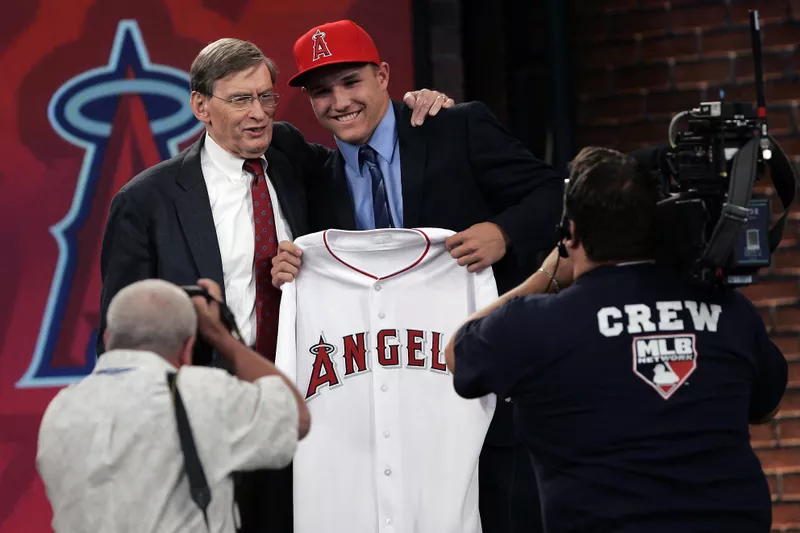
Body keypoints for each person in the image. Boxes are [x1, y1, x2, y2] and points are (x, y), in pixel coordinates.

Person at [97, 36, 449, 532]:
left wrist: (424, 114)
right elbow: (120, 338)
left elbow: (373, 148)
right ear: (200, 105)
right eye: (240, 99)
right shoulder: (146, 202)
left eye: (266, 97)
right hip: (206, 429)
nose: (257, 113)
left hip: (313, 415)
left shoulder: (291, 159)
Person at [269, 19, 564, 533]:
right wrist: (289, 265)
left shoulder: (456, 127)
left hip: (482, 394)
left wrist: (503, 231)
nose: (339, 102)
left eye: (351, 82)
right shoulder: (318, 180)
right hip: (383, 403)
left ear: (383, 75)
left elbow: (556, 193)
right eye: (321, 92)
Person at [445, 146, 788, 533]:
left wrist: (546, 276)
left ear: (570, 234)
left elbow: (458, 351)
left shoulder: (535, 325)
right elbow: (766, 407)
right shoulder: (730, 311)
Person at [37, 278, 310, 533]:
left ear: (108, 337)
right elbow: (295, 416)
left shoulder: (61, 407)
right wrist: (220, 335)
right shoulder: (202, 393)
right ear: (187, 348)